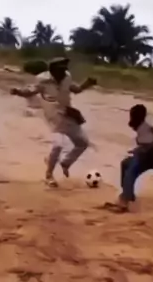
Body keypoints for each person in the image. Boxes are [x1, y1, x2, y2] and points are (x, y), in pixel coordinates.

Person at [10, 57, 97, 187]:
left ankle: (65, 163)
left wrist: (87, 84)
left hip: (68, 114)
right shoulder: (42, 80)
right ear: (52, 71)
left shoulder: (67, 77)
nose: (63, 73)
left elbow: (76, 89)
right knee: (58, 145)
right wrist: (18, 92)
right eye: (60, 71)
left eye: (65, 70)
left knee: (83, 143)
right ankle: (49, 175)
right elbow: (30, 91)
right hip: (53, 116)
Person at [108, 104, 153, 212]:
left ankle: (124, 202)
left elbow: (149, 145)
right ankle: (127, 194)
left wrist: (137, 151)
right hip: (152, 155)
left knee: (131, 171)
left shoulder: (144, 129)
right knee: (125, 164)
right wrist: (138, 150)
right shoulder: (143, 126)